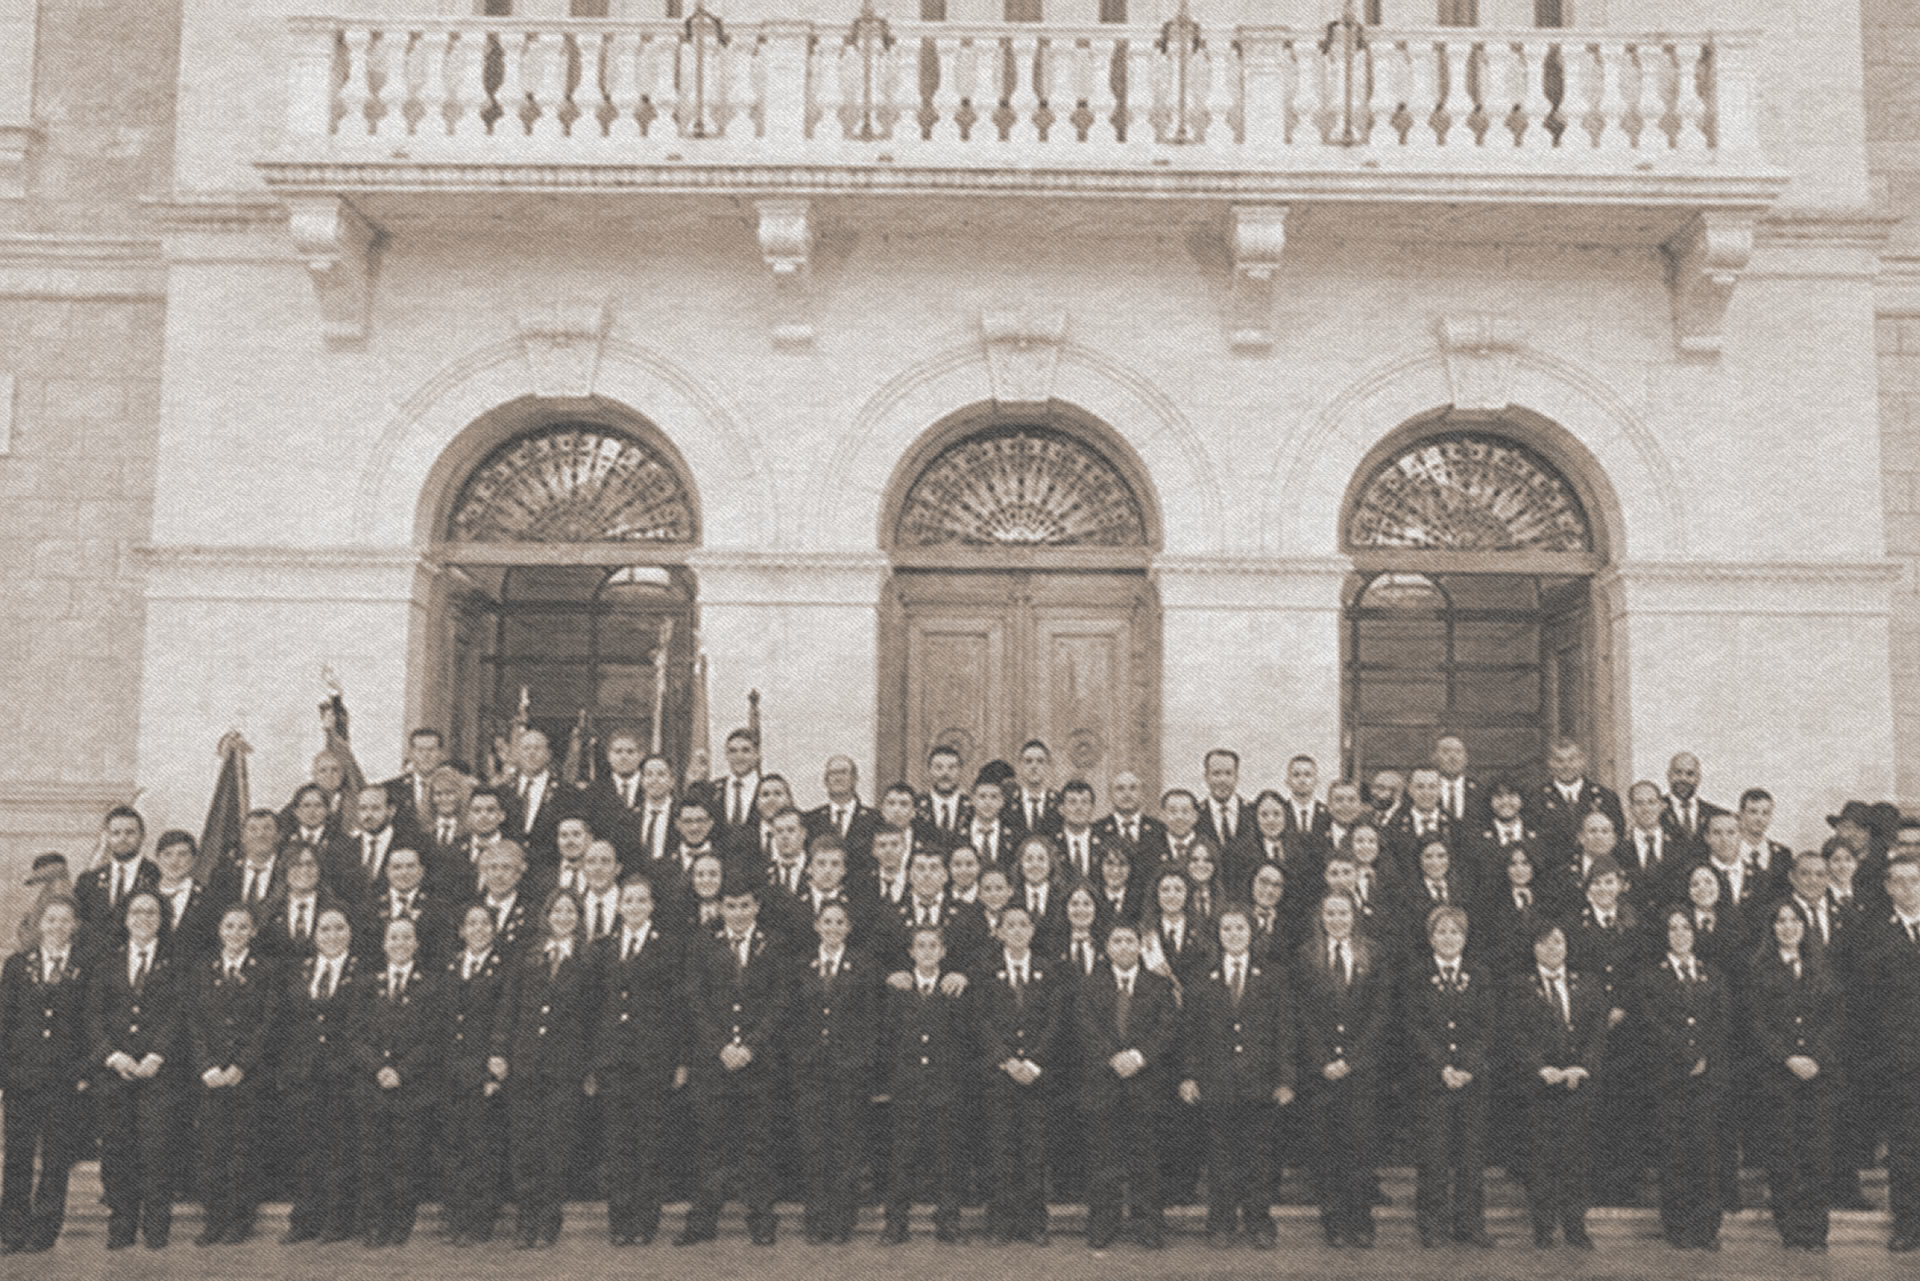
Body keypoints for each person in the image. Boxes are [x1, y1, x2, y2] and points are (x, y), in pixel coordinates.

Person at [1178, 906, 1294, 1250]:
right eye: (1226, 928)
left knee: (1259, 1158)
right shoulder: (1201, 979)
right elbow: (1191, 1034)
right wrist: (1189, 1076)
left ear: (1252, 933)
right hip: (1217, 1084)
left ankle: (1259, 1221)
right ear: (1217, 934)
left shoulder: (1272, 976)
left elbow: (1284, 1031)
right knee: (1220, 1157)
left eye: (1240, 928)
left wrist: (1286, 1078)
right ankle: (1221, 1222)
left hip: (1260, 1083)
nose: (1233, 934)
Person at [678, 879, 784, 1246]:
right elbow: (695, 1000)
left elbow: (779, 1002)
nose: (738, 914)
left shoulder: (773, 944)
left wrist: (751, 1046)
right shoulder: (703, 943)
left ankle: (761, 1218)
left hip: (758, 1063)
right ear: (720, 908)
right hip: (714, 1062)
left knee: (758, 1143)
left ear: (756, 907)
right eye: (731, 906)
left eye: (745, 906)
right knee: (711, 1142)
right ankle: (703, 1220)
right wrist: (721, 1046)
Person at [494, 887, 594, 1248]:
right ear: (547, 916)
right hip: (525, 1065)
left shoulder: (587, 960)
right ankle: (526, 1219)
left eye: (570, 912)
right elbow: (509, 1005)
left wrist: (588, 1067)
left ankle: (550, 1218)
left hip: (565, 1069)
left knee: (557, 1147)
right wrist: (500, 1050)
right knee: (525, 1146)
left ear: (579, 919)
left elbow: (593, 1018)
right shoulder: (528, 956)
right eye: (557, 911)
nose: (563, 918)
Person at [592, 874, 686, 1247]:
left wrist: (679, 1059)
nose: (634, 907)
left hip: (653, 1060)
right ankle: (620, 1221)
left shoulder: (668, 947)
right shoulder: (605, 947)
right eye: (628, 900)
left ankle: (646, 1222)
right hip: (613, 1060)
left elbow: (677, 1009)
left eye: (641, 900)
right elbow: (594, 1006)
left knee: (650, 1143)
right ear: (620, 905)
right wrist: (594, 1062)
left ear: (651, 906)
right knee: (618, 1145)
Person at [88, 891, 180, 1250]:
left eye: (152, 912)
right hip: (115, 1074)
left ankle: (157, 1226)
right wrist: (113, 1056)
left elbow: (178, 1013)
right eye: (137, 911)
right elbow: (93, 1016)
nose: (144, 917)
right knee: (116, 1151)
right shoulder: (106, 962)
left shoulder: (176, 963)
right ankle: (121, 1224)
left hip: (159, 1074)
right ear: (125, 918)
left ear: (162, 919)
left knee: (157, 1151)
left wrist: (157, 1055)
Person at [1747, 900, 1839, 1252]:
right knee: (1784, 1153)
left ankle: (1816, 1231)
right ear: (1772, 928)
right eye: (1780, 921)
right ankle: (1791, 1229)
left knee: (1817, 1153)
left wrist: (1816, 1056)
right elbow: (1757, 1023)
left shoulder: (1823, 967)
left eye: (1794, 920)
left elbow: (1835, 1018)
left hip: (1819, 1075)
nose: (1788, 927)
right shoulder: (1759, 969)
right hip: (1778, 1076)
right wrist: (1787, 1057)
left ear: (1805, 926)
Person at [1077, 922, 1175, 1250]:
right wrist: (1113, 1058)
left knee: (1145, 1159)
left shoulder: (1158, 985)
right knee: (1103, 1160)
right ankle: (1104, 1222)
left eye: (1130, 941)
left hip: (1144, 1084)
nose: (1123, 946)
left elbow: (1167, 1029)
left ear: (1139, 947)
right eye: (1116, 940)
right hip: (1103, 1083)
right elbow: (1085, 1028)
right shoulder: (1090, 985)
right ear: (1106, 948)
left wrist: (1139, 1055)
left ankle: (1147, 1223)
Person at [0, 895, 89, 1254]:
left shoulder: (85, 968)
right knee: (18, 1156)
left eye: (65, 920)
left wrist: (83, 1073)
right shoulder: (18, 966)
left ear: (74, 926)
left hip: (64, 1081)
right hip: (22, 1080)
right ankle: (10, 1229)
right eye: (51, 920)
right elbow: (4, 1021)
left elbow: (89, 1025)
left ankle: (45, 1229)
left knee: (56, 1158)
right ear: (39, 924)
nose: (57, 926)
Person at [1507, 922, 1604, 1250]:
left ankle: (1576, 1224)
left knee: (1576, 1157)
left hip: (1578, 1084)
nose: (1553, 949)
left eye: (1559, 942)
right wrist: (1539, 1067)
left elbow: (1596, 1033)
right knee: (1541, 1157)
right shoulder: (1520, 986)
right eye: (1545, 943)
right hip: (1539, 1086)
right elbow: (1516, 1033)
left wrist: (1583, 1066)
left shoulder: (1586, 985)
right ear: (1534, 947)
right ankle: (1544, 1226)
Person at [1297, 892, 1386, 1248]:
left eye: (1343, 912)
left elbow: (1380, 1013)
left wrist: (1352, 1058)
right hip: (1320, 1071)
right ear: (1321, 917)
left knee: (1360, 1145)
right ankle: (1332, 1219)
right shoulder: (1306, 956)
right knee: (1326, 1146)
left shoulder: (1373, 954)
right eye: (1330, 913)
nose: (1336, 919)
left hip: (1360, 1068)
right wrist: (1323, 1060)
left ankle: (1361, 1219)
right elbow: (1301, 1014)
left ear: (1354, 915)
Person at [1638, 907, 1728, 1250]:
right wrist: (1684, 1055)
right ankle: (1678, 1226)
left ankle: (1707, 1227)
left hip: (1706, 1077)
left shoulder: (1712, 974)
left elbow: (1721, 1021)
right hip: (1668, 1076)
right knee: (1673, 1150)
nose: (1679, 934)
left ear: (1695, 933)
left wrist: (1703, 1054)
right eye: (1672, 928)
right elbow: (1651, 1022)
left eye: (1685, 927)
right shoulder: (1651, 976)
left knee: (1706, 1150)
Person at [786, 901, 875, 1245]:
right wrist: (800, 1055)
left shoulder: (863, 967)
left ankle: (842, 1220)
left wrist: (859, 1060)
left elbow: (871, 1020)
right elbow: (791, 1016)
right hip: (809, 1069)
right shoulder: (801, 966)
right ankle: (816, 1217)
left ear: (849, 928)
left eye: (840, 922)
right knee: (813, 1144)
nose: (833, 928)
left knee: (846, 1145)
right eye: (827, 921)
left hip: (848, 1070)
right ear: (816, 926)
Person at [1407, 905, 1494, 1248]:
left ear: (1465, 937)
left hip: (1472, 1081)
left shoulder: (1480, 975)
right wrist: (1442, 1066)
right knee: (1434, 1155)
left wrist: (1467, 1066)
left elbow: (1486, 1027)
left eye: (1455, 931)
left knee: (1471, 1156)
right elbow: (1414, 1027)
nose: (1448, 938)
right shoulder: (1417, 975)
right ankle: (1432, 1224)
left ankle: (1470, 1224)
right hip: (1432, 1080)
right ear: (1430, 938)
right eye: (1441, 932)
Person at [351, 915, 441, 1247]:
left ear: (417, 944)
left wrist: (401, 1070)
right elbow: (355, 1035)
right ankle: (375, 1224)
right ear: (384, 943)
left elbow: (433, 1039)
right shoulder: (365, 984)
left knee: (406, 1160)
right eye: (394, 937)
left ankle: (401, 1223)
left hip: (412, 1089)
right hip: (372, 1086)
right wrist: (378, 1068)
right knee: (373, 1160)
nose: (400, 944)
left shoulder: (430, 985)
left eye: (407, 938)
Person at [189, 904, 275, 1246]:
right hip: (211, 1075)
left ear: (253, 932)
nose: (236, 933)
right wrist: (206, 1065)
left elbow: (268, 1023)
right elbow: (194, 1022)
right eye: (229, 926)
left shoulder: (265, 970)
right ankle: (214, 1220)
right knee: (211, 1149)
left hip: (247, 1076)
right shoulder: (202, 969)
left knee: (244, 1149)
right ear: (219, 930)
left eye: (243, 927)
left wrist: (242, 1065)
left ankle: (240, 1220)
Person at [976, 904, 1062, 1244]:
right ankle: (1000, 1223)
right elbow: (980, 1021)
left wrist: (1034, 1063)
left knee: (1034, 1151)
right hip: (1000, 1076)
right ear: (998, 931)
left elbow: (1055, 1022)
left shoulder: (1047, 971)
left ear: (1032, 931)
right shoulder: (986, 971)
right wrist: (1006, 1060)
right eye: (1009, 925)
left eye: (1023, 924)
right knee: (1001, 1152)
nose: (1016, 930)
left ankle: (1034, 1223)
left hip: (1036, 1077)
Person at [879, 925, 970, 1244]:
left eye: (934, 945)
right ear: (911, 953)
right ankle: (895, 1223)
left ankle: (948, 1221)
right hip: (908, 1087)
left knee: (948, 1157)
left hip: (945, 1086)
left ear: (943, 952)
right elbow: (888, 1038)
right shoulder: (898, 990)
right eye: (921, 945)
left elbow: (964, 1040)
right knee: (902, 1156)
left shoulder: (955, 989)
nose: (928, 951)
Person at [278, 905, 360, 1245]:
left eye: (339, 928)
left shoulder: (362, 973)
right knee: (305, 1149)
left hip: (342, 1074)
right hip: (303, 1075)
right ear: (315, 936)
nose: (332, 936)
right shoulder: (301, 970)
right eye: (325, 930)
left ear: (349, 933)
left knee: (339, 1149)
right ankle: (304, 1219)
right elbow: (288, 1023)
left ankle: (337, 1220)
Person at [1857, 853, 1920, 1252]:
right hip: (1901, 1061)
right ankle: (1909, 1223)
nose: (1908, 888)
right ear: (1887, 886)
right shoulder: (1873, 934)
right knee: (1906, 1145)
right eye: (1899, 881)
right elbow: (1868, 1003)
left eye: (1915, 880)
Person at [440, 904, 509, 1246]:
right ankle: (456, 1218)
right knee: (454, 1148)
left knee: (483, 1149)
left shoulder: (502, 968)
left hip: (483, 1072)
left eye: (484, 923)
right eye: (471, 923)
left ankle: (481, 1221)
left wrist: (494, 1070)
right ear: (462, 930)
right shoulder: (452, 966)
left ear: (494, 930)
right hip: (452, 1071)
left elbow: (503, 1019)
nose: (478, 929)